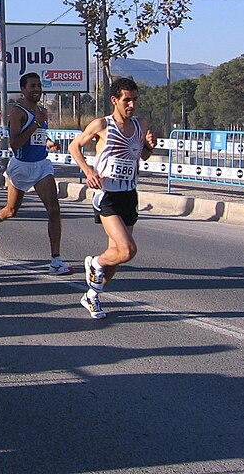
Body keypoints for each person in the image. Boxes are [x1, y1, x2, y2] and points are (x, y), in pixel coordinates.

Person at [69, 77, 156, 319]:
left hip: (129, 194)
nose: (132, 105)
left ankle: (92, 296)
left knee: (115, 257)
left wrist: (150, 146)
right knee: (127, 250)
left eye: (135, 100)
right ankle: (94, 262)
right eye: (127, 100)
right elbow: (74, 147)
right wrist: (88, 171)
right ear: (114, 100)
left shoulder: (140, 125)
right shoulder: (101, 125)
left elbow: (143, 156)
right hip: (107, 195)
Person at [0, 72, 72, 275]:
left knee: (54, 209)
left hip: (41, 165)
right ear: (23, 89)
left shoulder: (42, 111)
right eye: (32, 86)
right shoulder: (17, 112)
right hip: (21, 166)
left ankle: (56, 261)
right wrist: (35, 124)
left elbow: (38, 136)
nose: (36, 89)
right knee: (11, 210)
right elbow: (15, 144)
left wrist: (48, 142)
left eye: (39, 86)